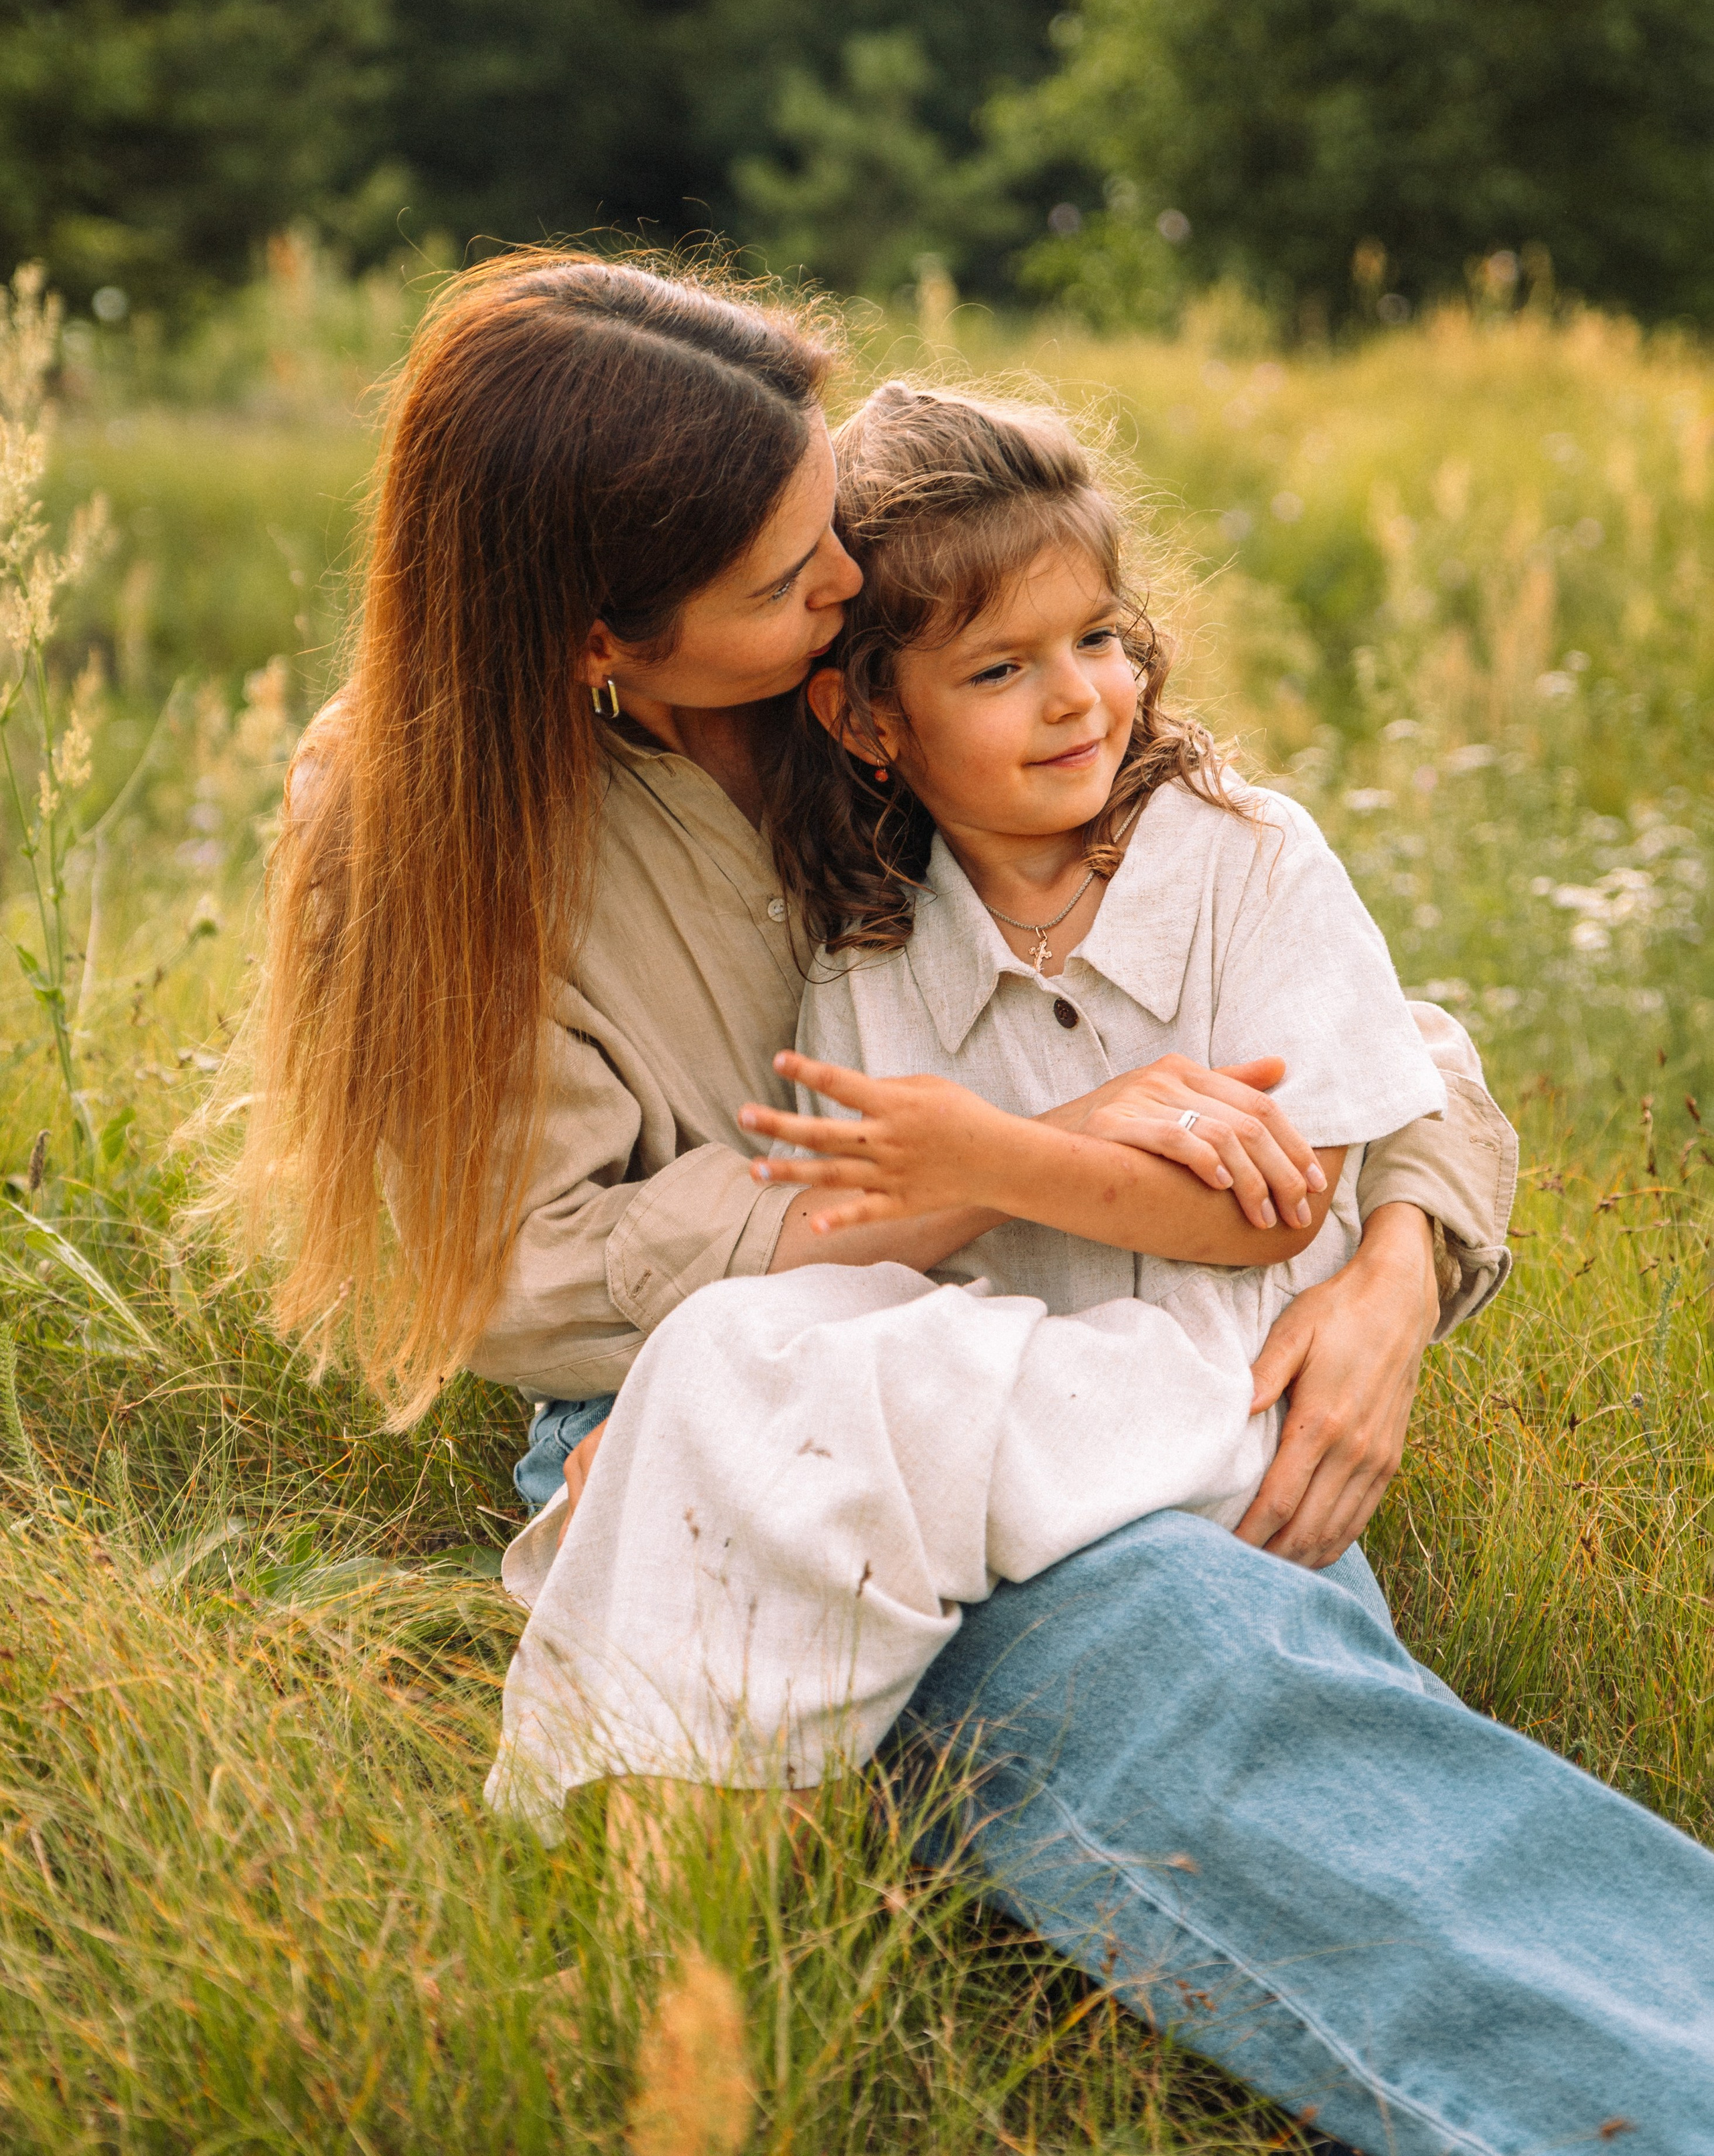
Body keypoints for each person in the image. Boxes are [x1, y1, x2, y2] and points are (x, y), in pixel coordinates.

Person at [244, 254, 1714, 2155]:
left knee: (1252, 1638)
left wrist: (1399, 1275)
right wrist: (982, 1176)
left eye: (825, 534)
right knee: (1187, 1660)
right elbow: (522, 1283)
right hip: (714, 1406)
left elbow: (1341, 1012)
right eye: (788, 580)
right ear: (597, 638)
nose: (838, 583)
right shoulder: (425, 822)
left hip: (1049, 1344)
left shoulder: (906, 662)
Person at [485, 382, 1457, 1806]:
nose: (1076, 696)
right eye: (999, 671)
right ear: (867, 721)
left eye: (1098, 640)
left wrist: (989, 1158)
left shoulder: (1241, 862)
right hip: (1023, 1427)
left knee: (1298, 1732)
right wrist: (688, 1404)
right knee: (760, 1409)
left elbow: (1266, 1211)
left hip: (1220, 1421)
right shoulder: (873, 956)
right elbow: (868, 1278)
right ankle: (670, 1849)